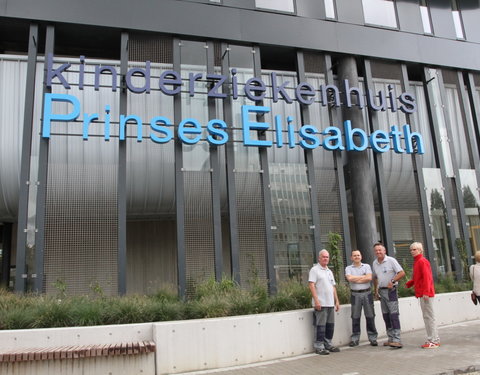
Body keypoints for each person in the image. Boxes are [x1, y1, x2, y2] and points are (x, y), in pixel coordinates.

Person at [405, 242, 440, 349]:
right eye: (411, 250)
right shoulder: (417, 262)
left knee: (429, 317)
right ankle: (431, 339)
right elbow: (419, 277)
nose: (412, 251)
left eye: (414, 249)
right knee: (427, 317)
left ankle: (434, 340)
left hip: (426, 294)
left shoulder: (422, 261)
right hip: (423, 293)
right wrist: (410, 283)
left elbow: (427, 278)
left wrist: (425, 292)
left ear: (420, 250)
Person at [372, 242, 405, 349]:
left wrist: (392, 280)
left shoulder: (391, 260)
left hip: (391, 291)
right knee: (386, 316)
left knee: (394, 315)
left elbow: (401, 273)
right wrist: (376, 291)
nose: (378, 252)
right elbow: (376, 278)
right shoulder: (375, 263)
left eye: (380, 250)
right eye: (376, 250)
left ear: (384, 251)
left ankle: (397, 339)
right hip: (381, 292)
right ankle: (390, 338)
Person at [308, 249, 341, 355]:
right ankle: (319, 346)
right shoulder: (314, 270)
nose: (326, 259)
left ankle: (328, 344)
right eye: (324, 257)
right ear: (319, 258)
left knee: (330, 326)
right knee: (320, 326)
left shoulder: (329, 271)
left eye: (327, 257)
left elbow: (333, 287)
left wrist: (337, 301)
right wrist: (316, 301)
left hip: (330, 303)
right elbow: (311, 285)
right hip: (321, 304)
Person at [345, 249, 378, 347]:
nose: (356, 257)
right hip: (355, 295)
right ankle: (355, 339)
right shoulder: (348, 268)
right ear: (351, 257)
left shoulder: (367, 266)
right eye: (354, 255)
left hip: (367, 293)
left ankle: (373, 338)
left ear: (361, 257)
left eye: (358, 255)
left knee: (370, 316)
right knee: (355, 317)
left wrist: (356, 279)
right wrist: (362, 277)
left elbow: (369, 278)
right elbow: (349, 279)